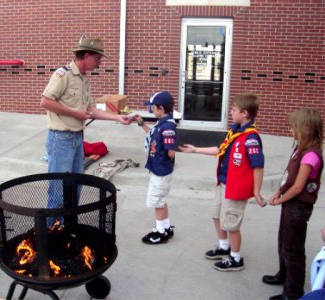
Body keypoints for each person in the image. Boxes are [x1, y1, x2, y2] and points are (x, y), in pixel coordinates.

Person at [40, 36, 132, 218]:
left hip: (77, 138)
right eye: (97, 59)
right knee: (58, 191)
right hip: (61, 139)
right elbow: (45, 102)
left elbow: (90, 110)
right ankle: (51, 233)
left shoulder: (84, 79)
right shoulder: (63, 75)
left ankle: (68, 228)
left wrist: (118, 117)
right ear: (87, 55)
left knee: (76, 187)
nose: (99, 63)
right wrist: (75, 113)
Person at [179, 93, 266, 271]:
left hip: (236, 188)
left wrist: (257, 192)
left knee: (231, 223)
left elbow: (258, 166)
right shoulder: (234, 131)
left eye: (234, 110)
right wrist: (196, 150)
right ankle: (224, 247)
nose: (231, 113)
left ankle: (236, 259)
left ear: (245, 113)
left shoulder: (251, 138)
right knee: (217, 217)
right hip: (224, 183)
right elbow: (220, 150)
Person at [262, 108, 324, 300]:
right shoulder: (299, 149)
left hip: (298, 207)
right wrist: (278, 191)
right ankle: (284, 274)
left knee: (293, 248)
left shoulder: (311, 156)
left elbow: (298, 187)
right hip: (290, 203)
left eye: (293, 127)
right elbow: (289, 178)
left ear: (306, 129)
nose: (290, 130)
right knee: (283, 242)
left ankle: (293, 291)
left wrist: (281, 199)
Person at [133, 91, 177, 245]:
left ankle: (160, 232)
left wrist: (162, 156)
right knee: (161, 200)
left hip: (161, 171)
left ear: (161, 108)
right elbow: (152, 135)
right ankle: (166, 227)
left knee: (157, 201)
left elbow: (171, 152)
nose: (151, 110)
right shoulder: (161, 124)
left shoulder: (168, 127)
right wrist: (142, 123)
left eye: (153, 107)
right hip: (157, 168)